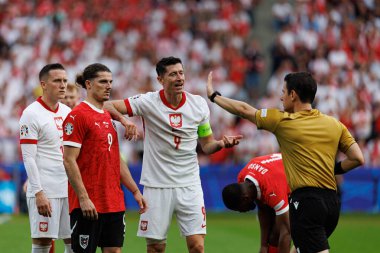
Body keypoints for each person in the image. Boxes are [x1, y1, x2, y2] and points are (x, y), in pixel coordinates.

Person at [206, 71, 365, 253]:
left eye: (283, 92)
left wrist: (213, 96)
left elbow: (244, 110)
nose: (281, 97)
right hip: (332, 205)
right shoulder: (334, 124)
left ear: (293, 94)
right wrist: (332, 169)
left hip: (306, 203)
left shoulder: (283, 121)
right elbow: (357, 158)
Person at [104, 56, 243, 253]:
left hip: (189, 184)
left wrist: (221, 144)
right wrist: (125, 121)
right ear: (160, 79)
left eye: (181, 73)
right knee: (156, 248)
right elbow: (107, 106)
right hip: (156, 185)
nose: (179, 78)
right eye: (172, 74)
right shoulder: (147, 102)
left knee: (197, 246)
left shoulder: (198, 105)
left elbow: (207, 145)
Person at [62, 63, 147, 253]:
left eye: (110, 81)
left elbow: (115, 159)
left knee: (114, 251)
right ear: (89, 85)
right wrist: (83, 198)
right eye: (103, 81)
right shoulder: (77, 116)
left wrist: (134, 191)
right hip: (88, 203)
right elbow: (69, 160)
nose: (108, 85)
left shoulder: (108, 117)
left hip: (113, 201)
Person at [19, 63, 73, 253]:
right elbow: (28, 157)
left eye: (65, 80)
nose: (63, 85)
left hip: (68, 188)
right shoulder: (31, 114)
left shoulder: (68, 112)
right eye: (57, 80)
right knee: (42, 244)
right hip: (45, 190)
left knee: (73, 242)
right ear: (43, 84)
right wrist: (38, 192)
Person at [222, 153, 291, 253]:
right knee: (273, 238)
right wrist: (263, 245)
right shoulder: (243, 178)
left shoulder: (272, 189)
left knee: (279, 233)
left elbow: (286, 232)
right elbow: (263, 209)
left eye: (240, 209)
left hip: (308, 176)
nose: (242, 212)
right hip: (283, 173)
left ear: (245, 199)